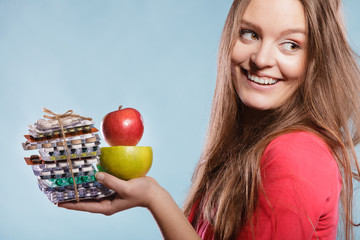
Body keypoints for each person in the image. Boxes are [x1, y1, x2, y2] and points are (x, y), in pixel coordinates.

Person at [59, 0, 360, 239]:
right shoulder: (250, 146)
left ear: (316, 60)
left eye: (291, 44)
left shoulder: (294, 155)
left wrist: (156, 199)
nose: (262, 59)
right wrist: (151, 195)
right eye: (250, 34)